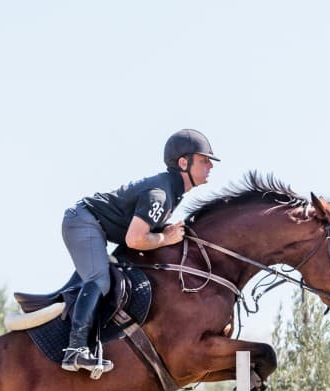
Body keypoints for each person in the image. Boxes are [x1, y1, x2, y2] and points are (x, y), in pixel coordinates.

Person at [60, 128, 219, 375]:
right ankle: (76, 349)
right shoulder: (161, 193)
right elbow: (135, 240)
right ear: (183, 162)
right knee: (99, 279)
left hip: (94, 225)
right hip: (83, 221)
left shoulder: (171, 190)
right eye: (204, 159)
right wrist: (165, 238)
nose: (210, 165)